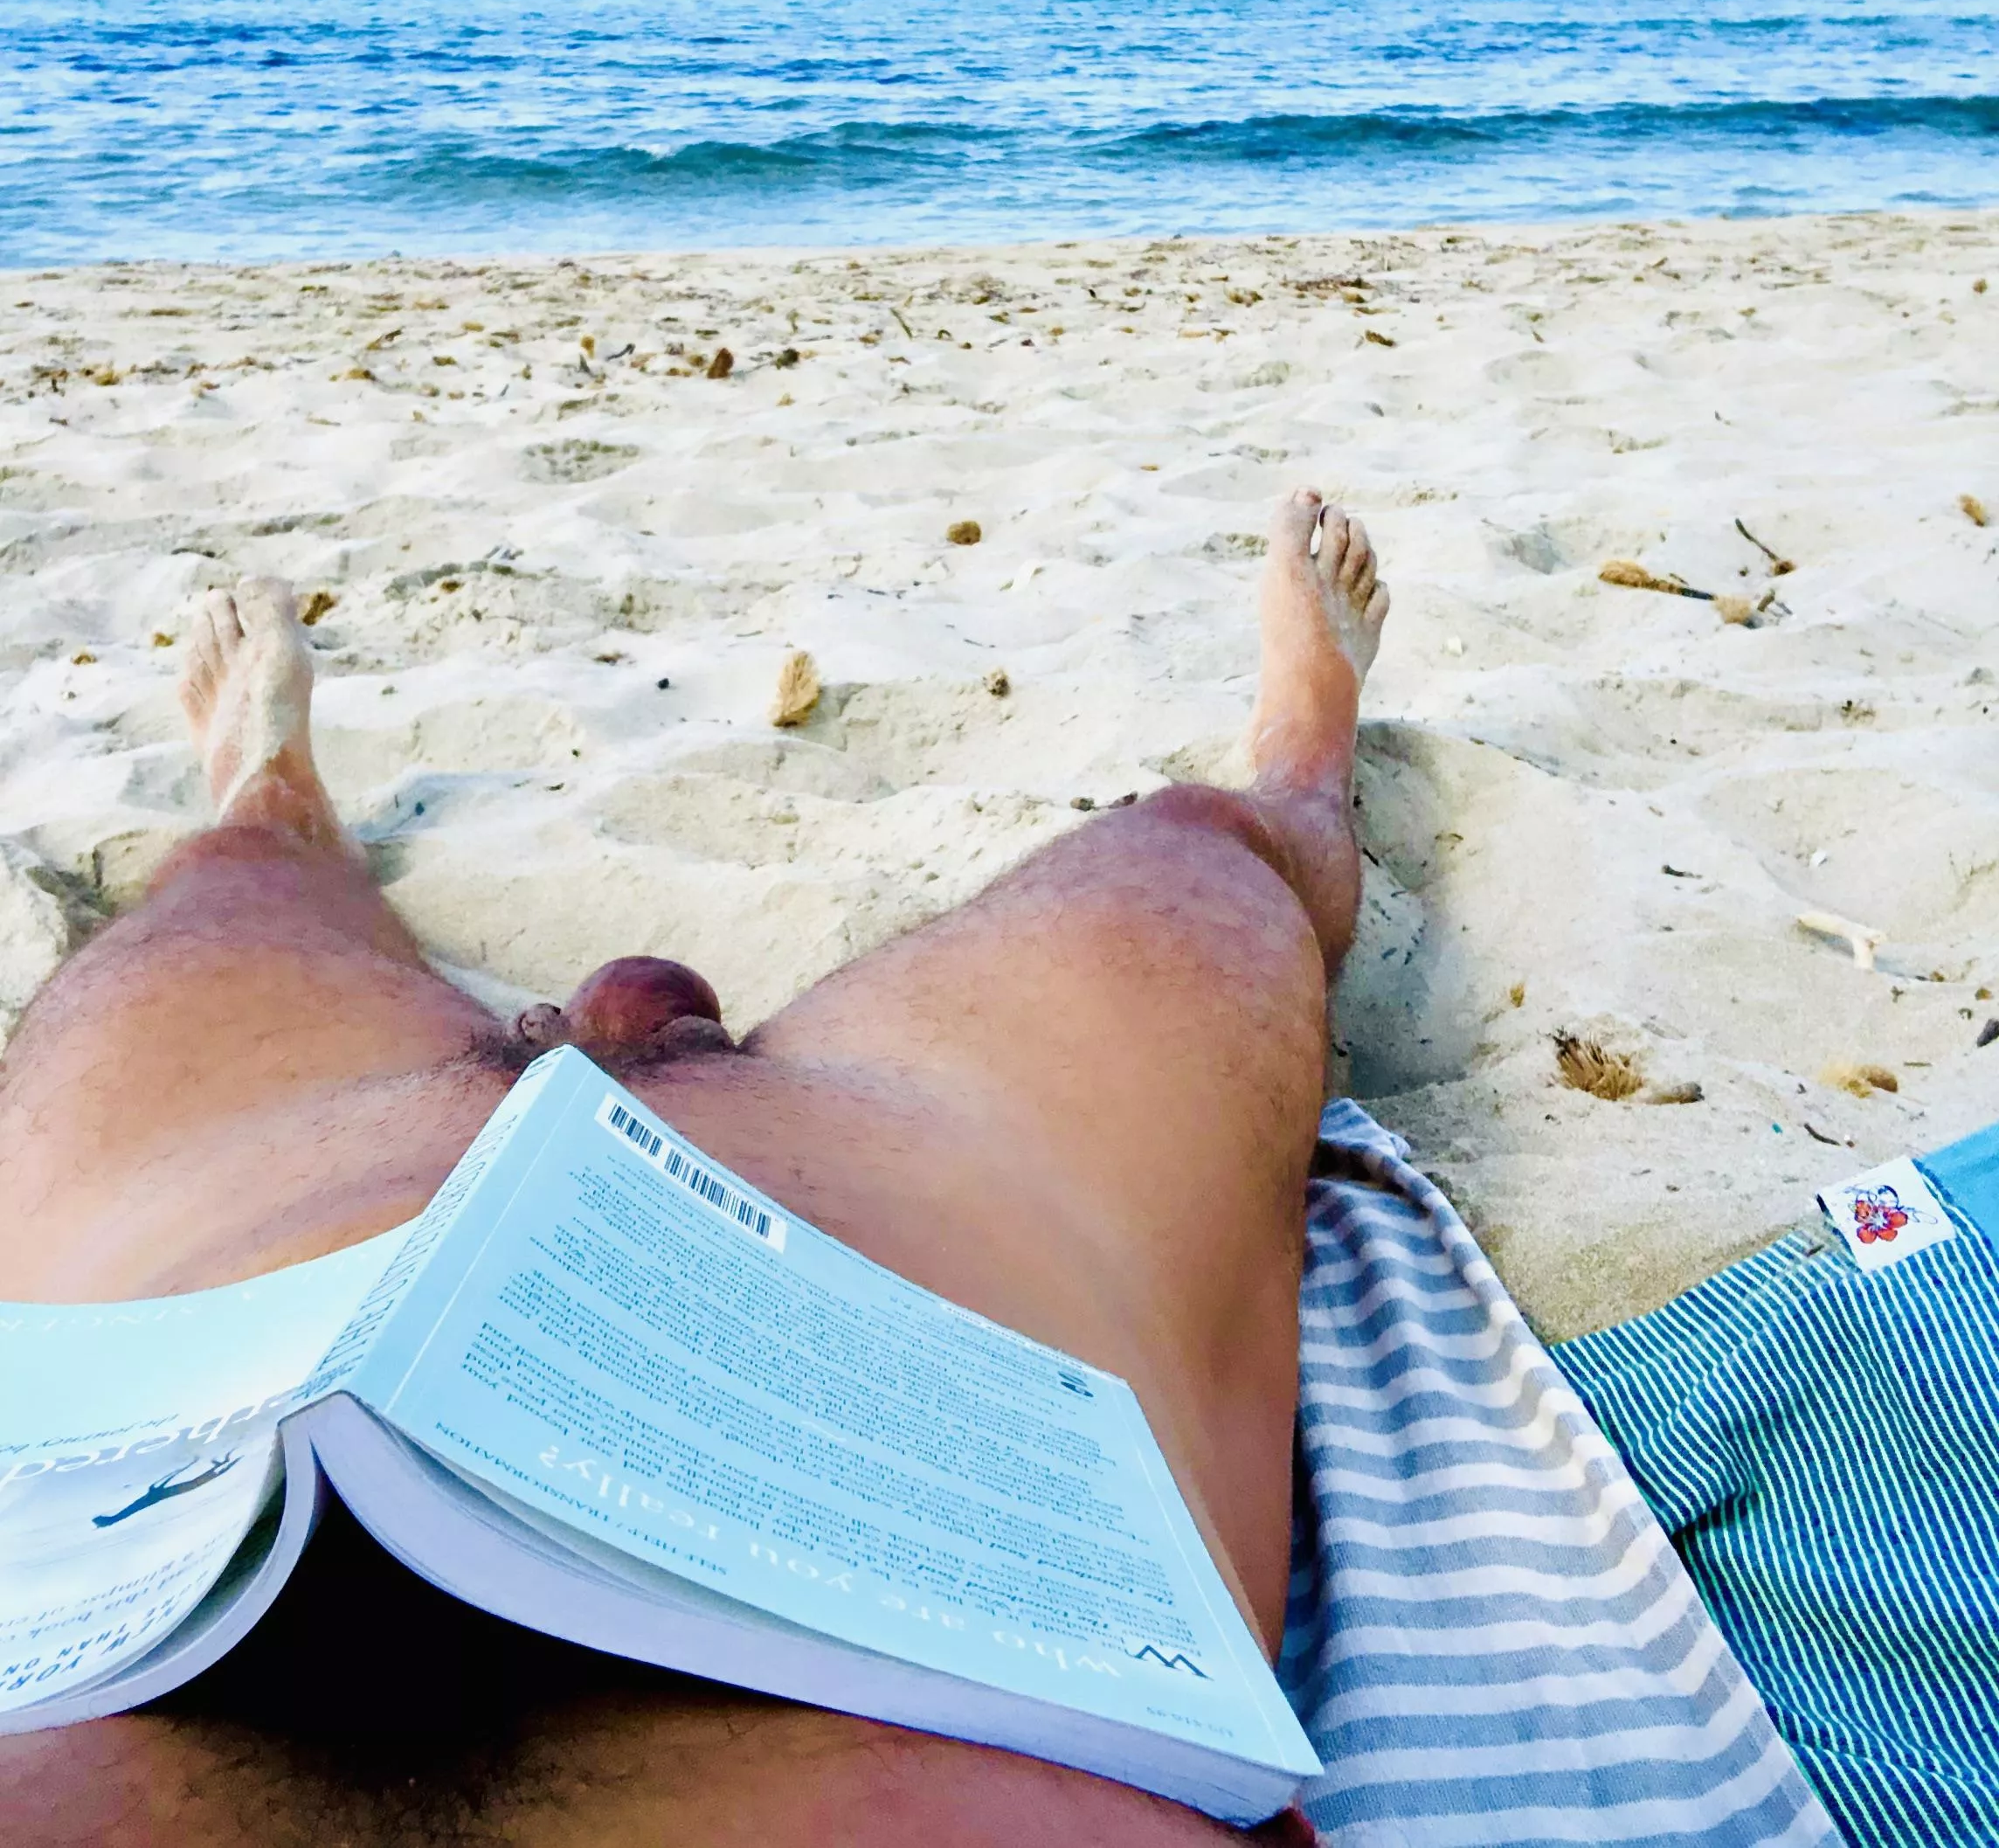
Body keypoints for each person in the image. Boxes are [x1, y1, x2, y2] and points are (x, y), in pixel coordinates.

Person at [0, 493, 1389, 1848]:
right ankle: (1297, 765)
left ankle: (269, 801)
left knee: (215, 910)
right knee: (1196, 872)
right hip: (962, 1306)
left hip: (200, 1322)